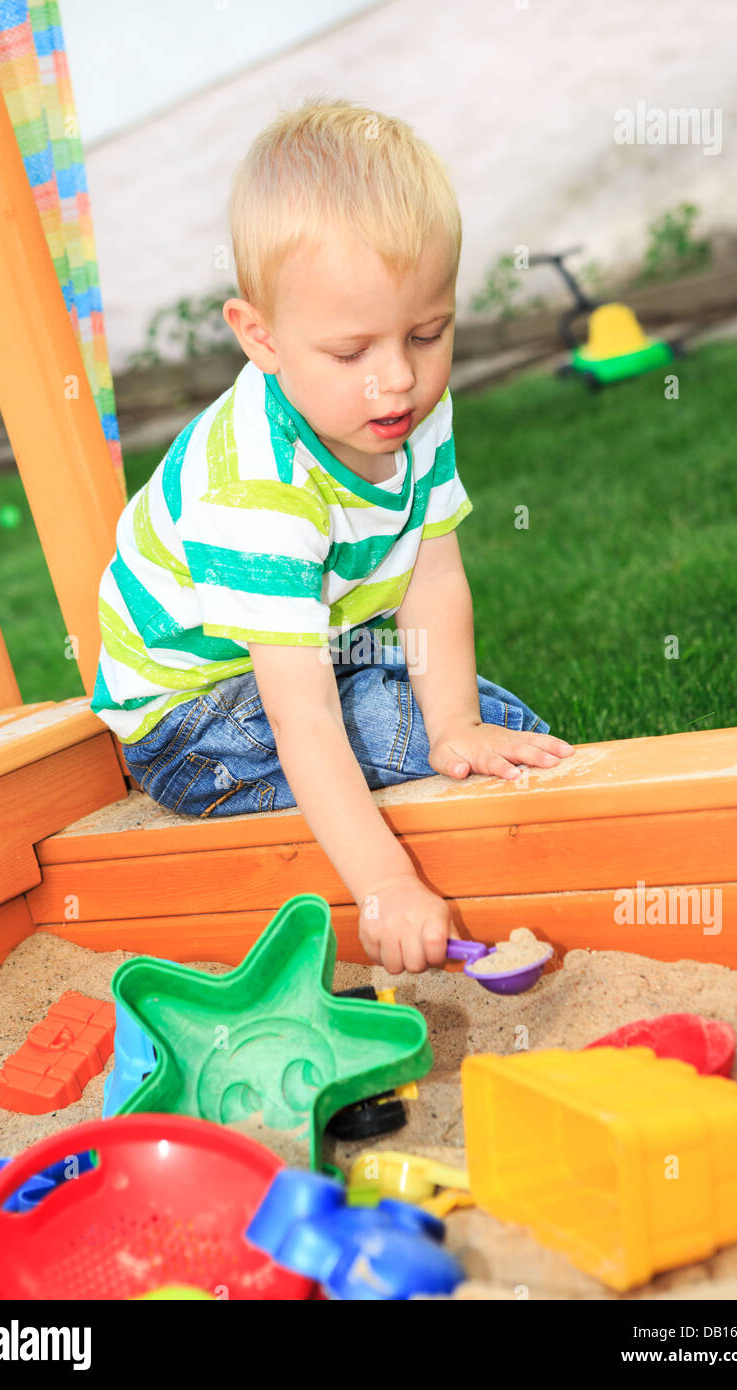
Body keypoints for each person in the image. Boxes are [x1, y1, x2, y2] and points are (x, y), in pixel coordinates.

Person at [90, 98, 575, 974]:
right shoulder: (257, 487)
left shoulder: (407, 412)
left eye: (428, 334)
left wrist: (458, 721)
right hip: (196, 713)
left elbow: (434, 575)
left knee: (482, 725)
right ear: (261, 338)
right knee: (395, 742)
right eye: (352, 353)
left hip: (312, 649)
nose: (397, 379)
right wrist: (385, 882)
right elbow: (301, 716)